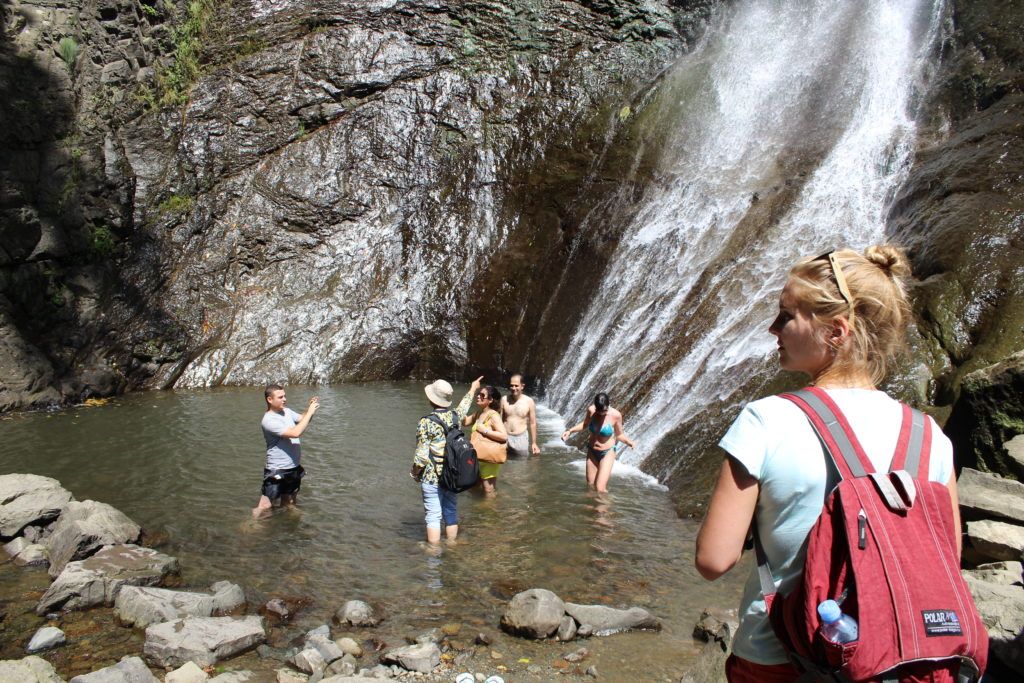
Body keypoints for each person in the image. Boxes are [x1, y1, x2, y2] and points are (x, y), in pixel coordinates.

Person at [694, 246, 959, 682]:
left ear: (837, 331)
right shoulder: (931, 436)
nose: (772, 328)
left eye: (786, 316)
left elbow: (713, 560)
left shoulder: (766, 420)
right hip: (898, 661)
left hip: (781, 659)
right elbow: (943, 561)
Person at [411, 376, 481, 544]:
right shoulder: (455, 417)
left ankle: (433, 553)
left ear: (430, 398)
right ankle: (451, 545)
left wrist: (415, 473)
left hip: (431, 476)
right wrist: (473, 388)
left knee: (433, 516)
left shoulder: (426, 422)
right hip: (452, 473)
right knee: (450, 511)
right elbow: (464, 406)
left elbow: (421, 456)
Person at [254, 384, 320, 518]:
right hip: (277, 469)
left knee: (289, 502)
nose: (284, 399)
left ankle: (287, 529)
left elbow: (302, 419)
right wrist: (311, 412)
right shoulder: (268, 420)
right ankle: (252, 525)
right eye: (280, 397)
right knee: (265, 505)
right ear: (269, 400)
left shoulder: (287, 411)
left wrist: (309, 409)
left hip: (293, 467)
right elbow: (296, 432)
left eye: (285, 396)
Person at [561, 392, 636, 492]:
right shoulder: (591, 410)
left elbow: (619, 435)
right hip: (592, 451)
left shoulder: (616, 415)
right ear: (595, 407)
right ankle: (591, 507)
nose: (601, 413)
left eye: (604, 411)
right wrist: (569, 431)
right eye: (599, 411)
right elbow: (585, 424)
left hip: (607, 453)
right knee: (590, 486)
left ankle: (604, 507)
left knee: (600, 488)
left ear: (608, 405)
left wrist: (629, 442)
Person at [465, 385, 508, 494]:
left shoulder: (493, 415)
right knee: (473, 488)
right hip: (478, 457)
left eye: (482, 395)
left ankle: (491, 510)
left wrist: (485, 430)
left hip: (489, 458)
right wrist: (463, 404)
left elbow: (504, 436)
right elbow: (464, 422)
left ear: (490, 400)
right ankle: (478, 510)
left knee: (488, 491)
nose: (478, 397)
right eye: (478, 394)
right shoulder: (479, 413)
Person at [500, 373, 541, 457]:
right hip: (504, 436)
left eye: (516, 386)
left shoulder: (529, 401)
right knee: (502, 464)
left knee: (520, 464)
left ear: (522, 386)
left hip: (520, 438)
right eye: (511, 386)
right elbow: (500, 420)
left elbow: (533, 423)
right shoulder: (504, 399)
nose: (513, 388)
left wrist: (534, 443)